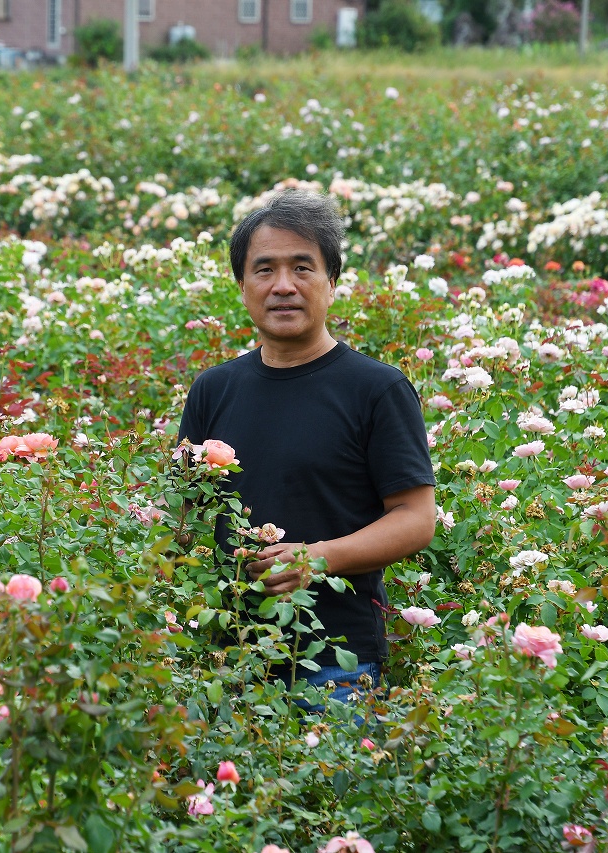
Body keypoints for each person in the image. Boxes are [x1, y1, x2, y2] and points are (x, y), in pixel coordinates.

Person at [178, 188, 436, 708]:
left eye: (303, 268)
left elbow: (415, 517)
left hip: (336, 665)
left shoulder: (375, 389)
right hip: (226, 660)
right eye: (265, 269)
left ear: (332, 283)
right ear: (242, 285)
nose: (283, 286)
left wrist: (318, 559)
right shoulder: (214, 389)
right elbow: (184, 515)